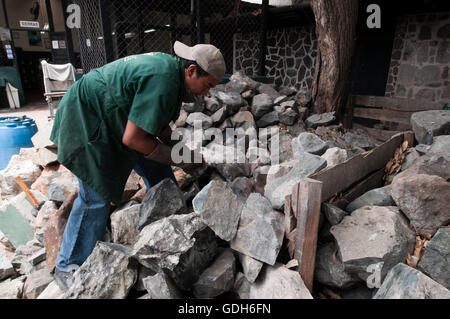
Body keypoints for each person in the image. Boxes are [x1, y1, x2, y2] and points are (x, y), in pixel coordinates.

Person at [49, 41, 226, 291]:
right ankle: (68, 265)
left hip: (117, 117)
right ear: (192, 71)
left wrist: (187, 156)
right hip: (89, 117)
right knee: (95, 197)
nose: (206, 93)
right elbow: (133, 139)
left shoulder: (173, 75)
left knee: (158, 168)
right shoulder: (164, 80)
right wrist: (175, 157)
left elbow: (158, 125)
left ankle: (172, 217)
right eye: (207, 86)